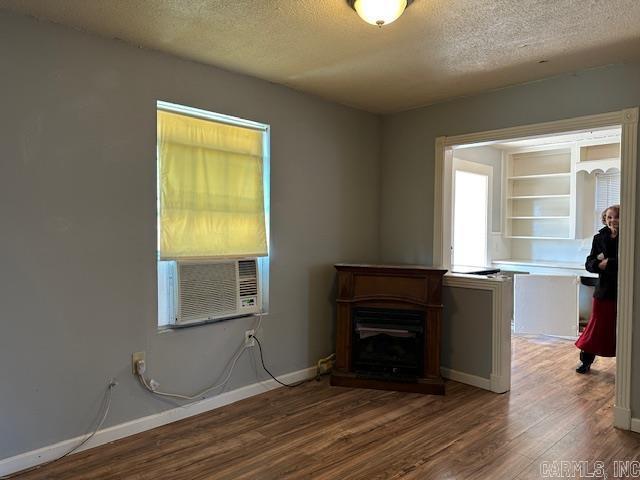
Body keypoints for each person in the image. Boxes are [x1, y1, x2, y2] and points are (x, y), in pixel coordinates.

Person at [575, 204, 620, 373]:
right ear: (604, 219)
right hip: (604, 290)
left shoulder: (630, 235)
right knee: (596, 326)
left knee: (620, 328)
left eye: (616, 216)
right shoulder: (598, 238)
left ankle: (626, 365)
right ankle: (585, 361)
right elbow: (589, 263)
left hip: (624, 290)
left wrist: (610, 262)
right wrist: (601, 264)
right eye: (609, 217)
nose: (612, 220)